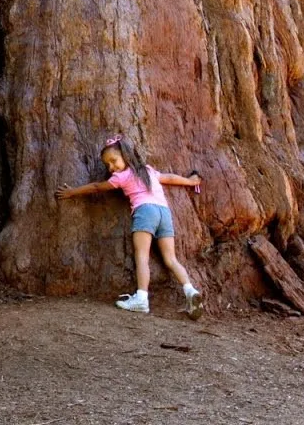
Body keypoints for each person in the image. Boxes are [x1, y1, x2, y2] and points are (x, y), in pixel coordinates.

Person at [56, 134, 204, 318]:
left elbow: (96, 187)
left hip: (145, 211)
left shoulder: (122, 177)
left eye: (113, 161)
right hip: (164, 213)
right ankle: (191, 291)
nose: (111, 168)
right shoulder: (148, 170)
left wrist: (72, 192)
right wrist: (190, 181)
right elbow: (169, 178)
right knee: (171, 259)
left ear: (125, 155)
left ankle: (141, 298)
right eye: (108, 165)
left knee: (141, 256)